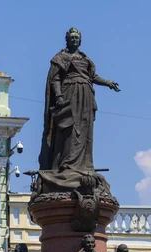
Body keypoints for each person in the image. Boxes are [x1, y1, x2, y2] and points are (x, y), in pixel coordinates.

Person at [39, 27, 120, 192]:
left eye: (77, 38)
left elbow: (92, 77)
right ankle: (66, 165)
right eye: (72, 38)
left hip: (86, 96)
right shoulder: (61, 57)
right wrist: (60, 97)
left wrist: (108, 83)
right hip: (70, 94)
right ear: (67, 39)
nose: (74, 40)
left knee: (84, 132)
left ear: (80, 40)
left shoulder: (85, 58)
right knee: (70, 130)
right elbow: (55, 79)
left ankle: (84, 165)